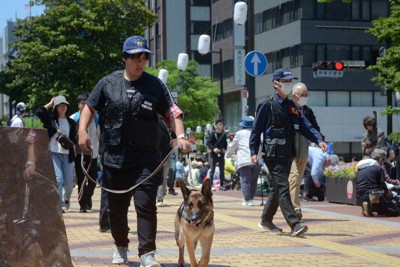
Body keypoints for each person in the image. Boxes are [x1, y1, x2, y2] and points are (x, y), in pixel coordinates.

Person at [77, 35, 191, 266]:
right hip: (113, 159)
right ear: (124, 59)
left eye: (144, 58)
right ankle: (121, 246)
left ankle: (147, 253)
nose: (140, 62)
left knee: (146, 205)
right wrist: (82, 131)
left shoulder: (155, 85)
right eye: (135, 58)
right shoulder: (107, 83)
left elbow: (172, 111)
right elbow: (89, 107)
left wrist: (180, 136)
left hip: (147, 159)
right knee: (116, 210)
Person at [249, 68, 327, 237]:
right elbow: (256, 131)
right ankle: (294, 223)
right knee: (284, 187)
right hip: (272, 153)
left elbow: (305, 125)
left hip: (287, 153)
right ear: (276, 84)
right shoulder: (267, 105)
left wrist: (318, 139)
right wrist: (253, 150)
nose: (288, 85)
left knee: (278, 188)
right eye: (285, 82)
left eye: (290, 82)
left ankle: (266, 220)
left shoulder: (292, 106)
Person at [37, 96, 76, 213]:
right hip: (54, 153)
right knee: (58, 179)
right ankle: (58, 205)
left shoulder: (71, 122)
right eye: (59, 104)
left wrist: (75, 156)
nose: (63, 106)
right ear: (56, 107)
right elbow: (39, 112)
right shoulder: (51, 120)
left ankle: (66, 198)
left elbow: (73, 139)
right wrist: (49, 103)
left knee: (69, 182)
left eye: (64, 104)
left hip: (67, 154)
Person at [288, 82, 322, 219]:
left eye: (307, 95)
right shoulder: (287, 108)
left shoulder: (307, 111)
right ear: (295, 95)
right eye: (303, 95)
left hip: (304, 148)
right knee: (294, 178)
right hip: (290, 148)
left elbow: (314, 128)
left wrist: (320, 140)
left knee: (297, 179)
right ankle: (295, 209)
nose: (305, 97)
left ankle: (289, 207)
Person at [71, 93, 100, 212]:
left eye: (86, 103)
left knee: (93, 180)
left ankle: (88, 197)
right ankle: (83, 204)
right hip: (79, 153)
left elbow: (99, 134)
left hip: (93, 152)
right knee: (81, 178)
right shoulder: (74, 118)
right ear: (78, 105)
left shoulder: (96, 117)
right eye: (82, 103)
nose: (84, 105)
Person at [226, 116, 261, 206]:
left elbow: (232, 146)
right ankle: (251, 199)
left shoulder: (239, 133)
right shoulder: (257, 132)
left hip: (244, 160)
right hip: (256, 159)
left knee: (245, 180)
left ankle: (247, 200)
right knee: (253, 181)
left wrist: (228, 154)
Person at [356, 148, 399, 217]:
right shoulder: (378, 168)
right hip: (374, 196)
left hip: (360, 196)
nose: (383, 163)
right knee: (395, 211)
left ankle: (368, 206)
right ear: (381, 159)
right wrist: (388, 193)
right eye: (383, 161)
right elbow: (382, 184)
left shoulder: (360, 168)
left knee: (379, 208)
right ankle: (373, 206)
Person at [206, 119, 228, 191]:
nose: (221, 126)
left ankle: (222, 185)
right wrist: (213, 149)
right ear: (216, 126)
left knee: (222, 170)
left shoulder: (224, 134)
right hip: (214, 154)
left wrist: (224, 150)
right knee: (212, 170)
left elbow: (225, 144)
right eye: (219, 124)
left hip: (221, 154)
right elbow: (208, 143)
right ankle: (210, 185)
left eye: (222, 124)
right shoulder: (212, 134)